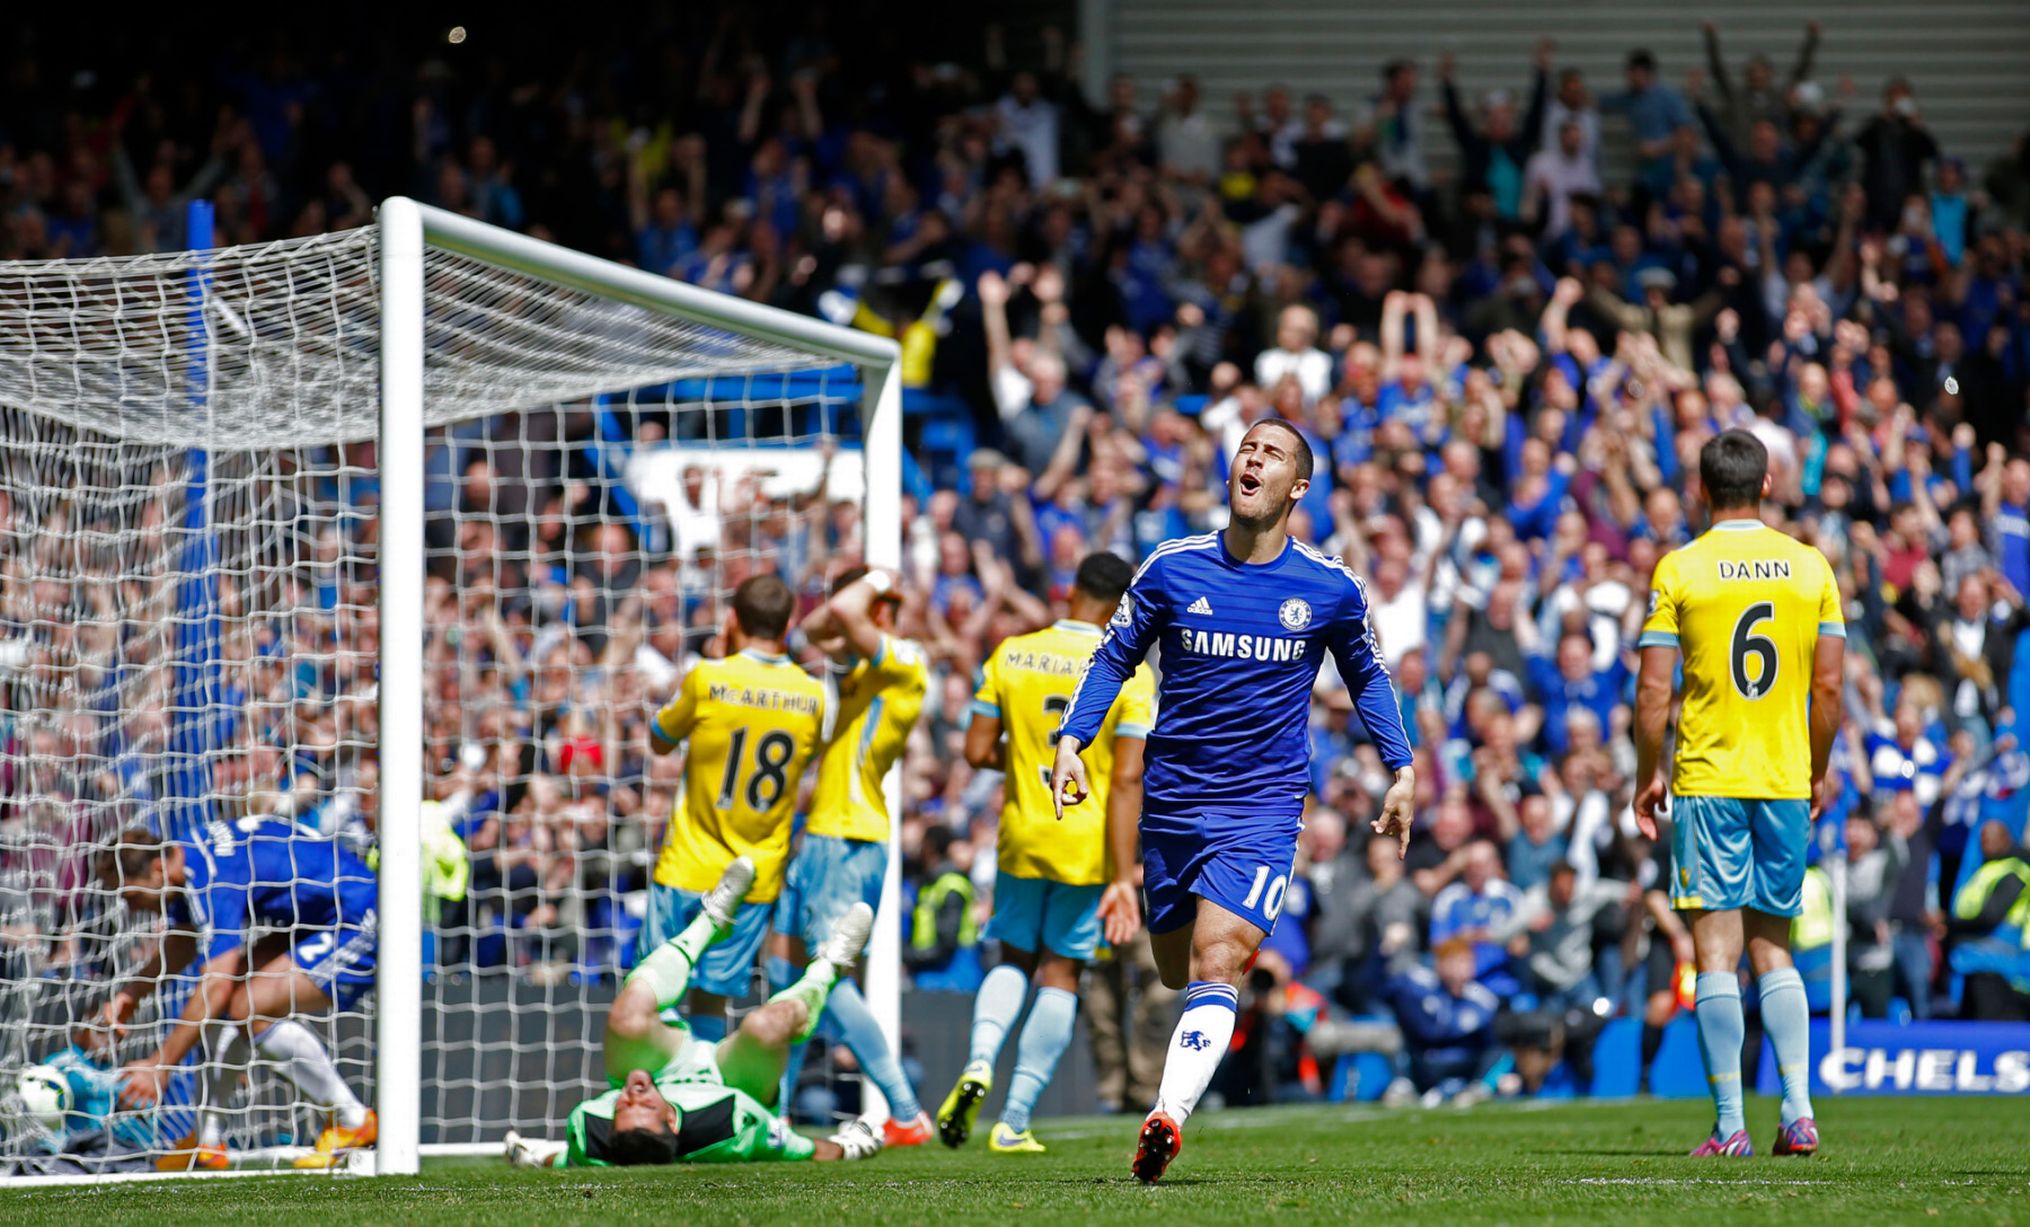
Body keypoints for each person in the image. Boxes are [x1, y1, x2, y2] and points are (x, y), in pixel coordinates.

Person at [1052, 417, 1416, 1182]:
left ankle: (1166, 1117)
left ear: (1298, 485)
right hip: (1173, 806)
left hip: (1263, 808)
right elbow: (1114, 654)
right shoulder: (1171, 567)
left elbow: (1369, 676)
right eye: (1247, 447)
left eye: (1272, 452)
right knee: (1177, 965)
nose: (1254, 458)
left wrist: (1401, 765)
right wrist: (1070, 740)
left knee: (1223, 958)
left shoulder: (1329, 585)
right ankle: (1181, 1077)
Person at [1634, 429, 1845, 1157]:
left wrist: (1645, 772)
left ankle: (1730, 1125)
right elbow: (1829, 684)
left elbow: (1654, 687)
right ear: (1765, 486)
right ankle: (1798, 1110)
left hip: (1709, 782)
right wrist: (1816, 768)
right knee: (1774, 951)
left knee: (1715, 954)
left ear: (1702, 489)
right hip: (1783, 781)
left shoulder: (1681, 567)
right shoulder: (1809, 565)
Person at [942, 551, 1156, 1154]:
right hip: (1085, 844)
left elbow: (976, 750)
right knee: (1061, 973)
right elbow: (1124, 781)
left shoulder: (1012, 653)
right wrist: (1120, 874)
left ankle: (980, 1060)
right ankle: (1012, 1120)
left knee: (1012, 956)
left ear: (1070, 594)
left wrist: (1023, 755)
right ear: (1120, 608)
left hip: (1022, 833)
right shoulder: (1131, 674)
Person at [502, 858, 883, 1167]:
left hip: (663, 1064)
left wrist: (535, 1154)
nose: (632, 1094)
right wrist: (850, 1145)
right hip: (735, 1083)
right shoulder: (729, 1129)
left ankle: (711, 920)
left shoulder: (591, 1135)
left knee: (627, 1016)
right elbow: (800, 1149)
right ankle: (831, 966)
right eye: (644, 1105)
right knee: (768, 1025)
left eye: (622, 1107)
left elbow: (567, 1156)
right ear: (670, 1120)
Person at [93, 819, 378, 1171]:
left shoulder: (212, 876)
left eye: (131, 895)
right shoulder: (187, 862)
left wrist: (160, 1065)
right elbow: (183, 942)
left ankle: (351, 1119)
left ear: (156, 868)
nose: (132, 908)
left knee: (245, 1005)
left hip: (358, 916)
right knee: (226, 1002)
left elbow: (217, 983)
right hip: (316, 920)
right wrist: (132, 993)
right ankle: (207, 1142)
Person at [768, 567, 934, 1146]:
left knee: (826, 974)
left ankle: (907, 1111)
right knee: (787, 976)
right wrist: (868, 589)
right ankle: (777, 1112)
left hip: (849, 834)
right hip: (822, 834)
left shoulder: (908, 663)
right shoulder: (859, 666)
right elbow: (818, 623)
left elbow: (839, 612)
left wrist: (880, 577)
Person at [645, 575, 827, 1040]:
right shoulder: (812, 696)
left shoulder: (708, 678)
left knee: (652, 993)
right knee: (713, 997)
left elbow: (659, 740)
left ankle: (650, 1100)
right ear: (788, 626)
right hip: (754, 876)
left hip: (688, 865)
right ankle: (699, 1093)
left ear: (731, 620)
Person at [1946, 821, 2030, 1020]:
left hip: (2001, 969)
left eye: (1993, 837)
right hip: (1972, 963)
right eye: (1983, 838)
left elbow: (1990, 916)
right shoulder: (1983, 870)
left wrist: (1948, 924)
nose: (1987, 842)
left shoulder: (2015, 870)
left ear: (2006, 839)